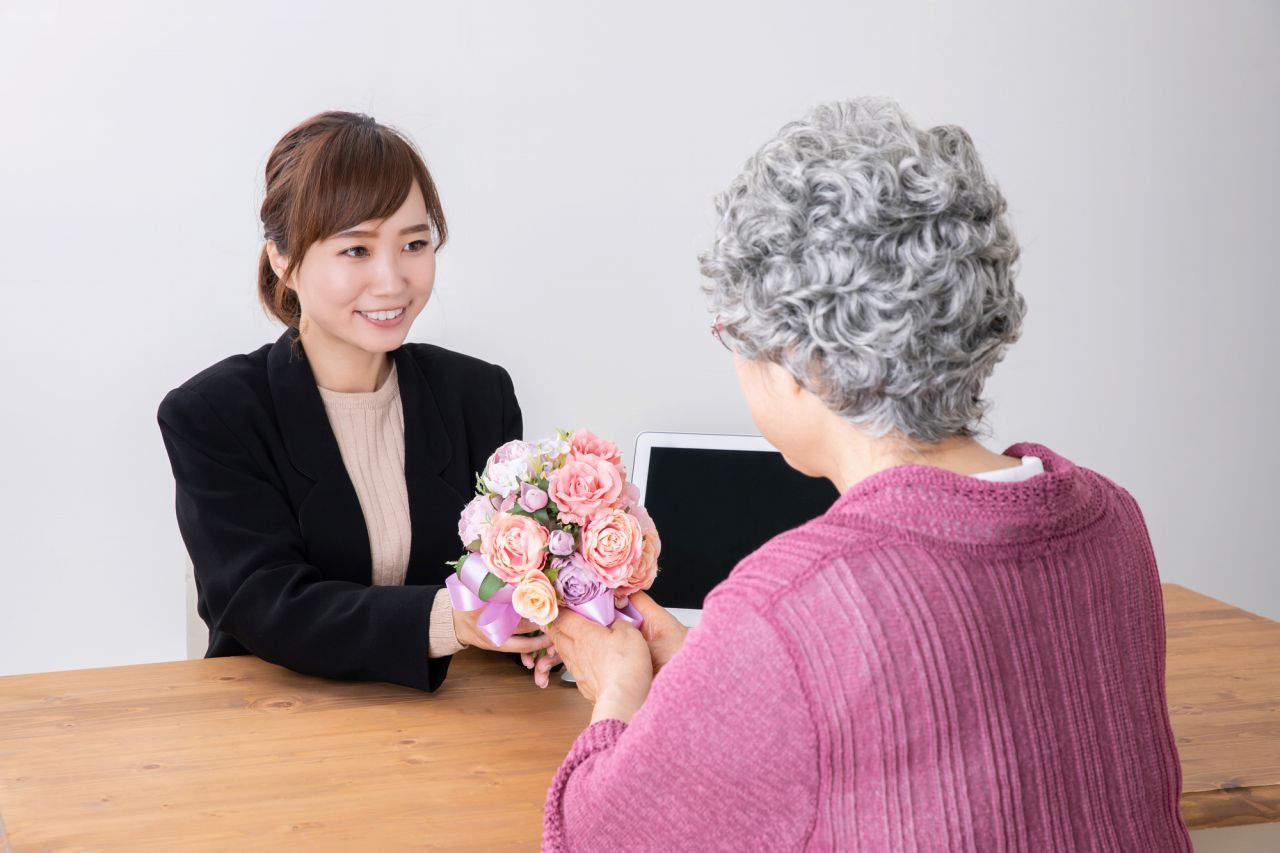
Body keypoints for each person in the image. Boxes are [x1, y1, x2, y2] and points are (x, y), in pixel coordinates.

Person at [542, 98, 1191, 851]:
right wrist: (713, 684)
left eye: (733, 332)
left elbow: (598, 836)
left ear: (802, 361)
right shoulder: (1111, 518)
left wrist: (619, 689)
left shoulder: (790, 603)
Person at [158, 112, 559, 692]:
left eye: (414, 244)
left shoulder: (477, 394)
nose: (392, 280)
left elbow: (511, 573)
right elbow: (263, 603)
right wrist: (453, 620)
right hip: (275, 726)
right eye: (355, 250)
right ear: (282, 258)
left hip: (452, 727)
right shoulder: (214, 413)